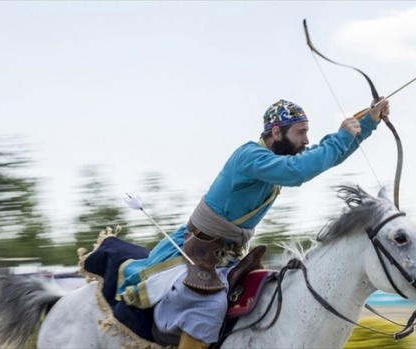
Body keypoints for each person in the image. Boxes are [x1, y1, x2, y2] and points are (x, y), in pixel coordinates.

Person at [117, 98, 390, 348]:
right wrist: (343, 135)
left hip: (229, 257)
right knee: (207, 307)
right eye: (301, 132)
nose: (307, 140)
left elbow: (321, 156)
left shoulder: (274, 158)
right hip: (196, 251)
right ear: (276, 133)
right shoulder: (250, 157)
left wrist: (367, 124)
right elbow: (299, 171)